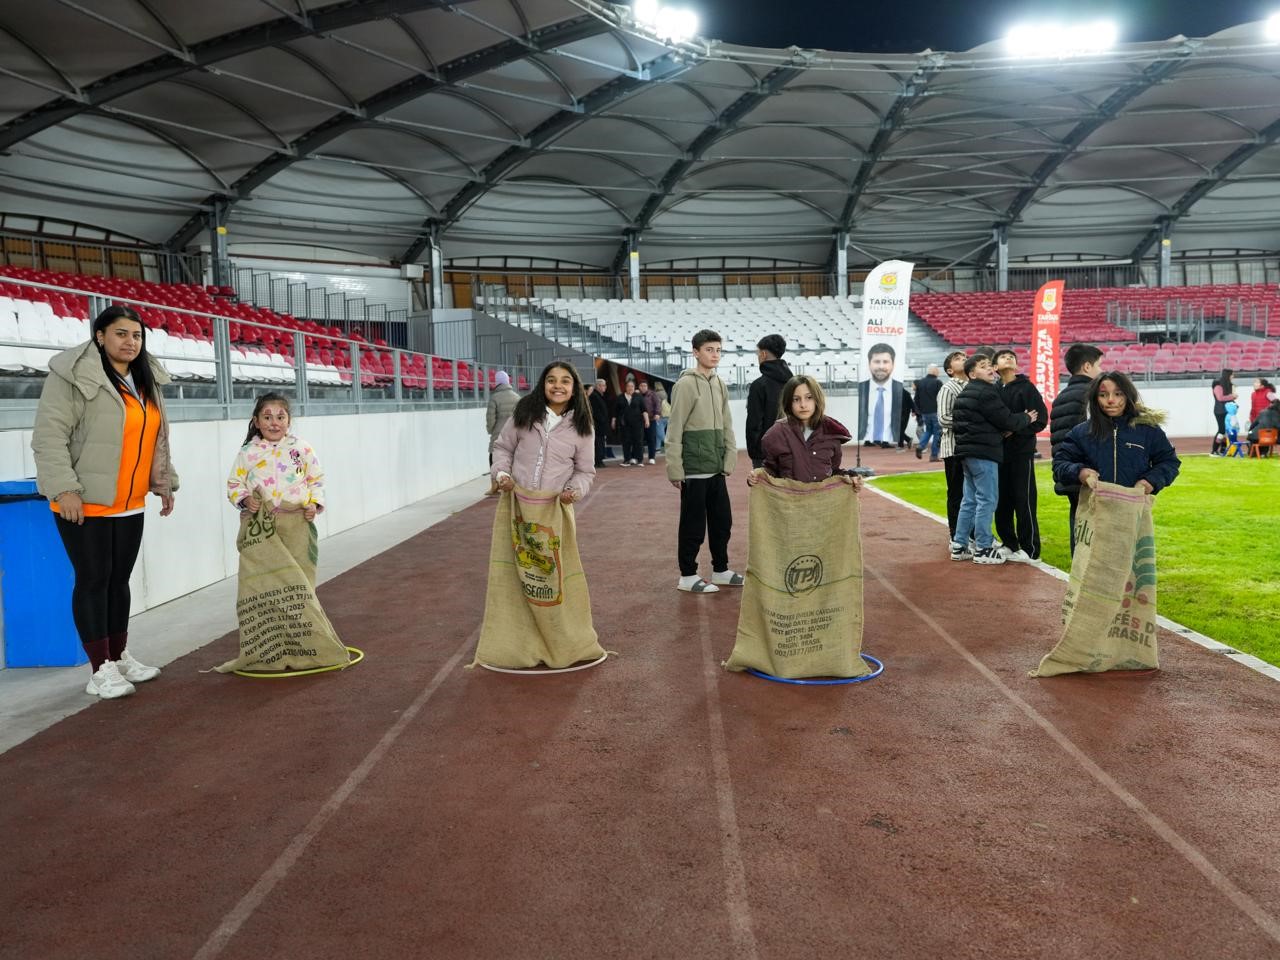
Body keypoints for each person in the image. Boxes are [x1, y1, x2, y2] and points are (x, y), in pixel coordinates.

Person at [31, 304, 177, 700]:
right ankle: (100, 670)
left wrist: (163, 482)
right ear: (100, 336)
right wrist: (64, 489)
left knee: (118, 581)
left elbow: (155, 438)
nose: (130, 342)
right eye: (121, 334)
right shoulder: (72, 376)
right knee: (94, 580)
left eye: (137, 335)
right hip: (85, 502)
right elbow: (49, 437)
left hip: (129, 501)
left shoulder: (145, 379)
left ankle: (118, 654)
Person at [666, 329, 741, 593]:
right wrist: (675, 469)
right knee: (693, 524)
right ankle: (687, 575)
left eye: (718, 350)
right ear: (696, 352)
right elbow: (674, 428)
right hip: (695, 468)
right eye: (709, 350)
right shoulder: (685, 385)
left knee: (722, 522)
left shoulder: (719, 383)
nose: (715, 355)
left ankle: (720, 569)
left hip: (716, 468)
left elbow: (727, 424)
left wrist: (729, 458)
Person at [950, 354, 1038, 564]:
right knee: (987, 500)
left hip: (967, 454)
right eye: (983, 366)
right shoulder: (986, 393)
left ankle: (960, 545)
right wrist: (1026, 417)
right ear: (972, 374)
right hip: (984, 453)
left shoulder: (965, 393)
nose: (990, 369)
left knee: (969, 501)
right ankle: (983, 548)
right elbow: (1005, 419)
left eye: (990, 365)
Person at [1053, 371, 1180, 500]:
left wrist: (1150, 481)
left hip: (1134, 509)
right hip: (1091, 511)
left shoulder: (1149, 430)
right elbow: (1060, 464)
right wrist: (1080, 472)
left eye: (1118, 394)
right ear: (1095, 399)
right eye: (1103, 395)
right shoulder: (1080, 432)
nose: (1110, 400)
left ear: (1128, 395)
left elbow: (1169, 461)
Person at [492, 361, 595, 501]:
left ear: (574, 390)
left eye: (565, 381)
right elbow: (503, 448)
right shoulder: (524, 414)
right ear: (543, 386)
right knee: (523, 525)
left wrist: (572, 490)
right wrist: (502, 474)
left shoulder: (582, 427)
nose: (557, 385)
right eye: (551, 380)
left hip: (554, 508)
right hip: (517, 503)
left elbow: (584, 471)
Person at [748, 375, 862, 488]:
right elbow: (770, 471)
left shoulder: (831, 432)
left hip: (821, 503)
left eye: (809, 397)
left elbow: (833, 471)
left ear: (817, 399)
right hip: (790, 503)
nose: (803, 405)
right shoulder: (776, 433)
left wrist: (850, 476)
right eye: (796, 399)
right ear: (788, 402)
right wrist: (756, 477)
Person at [993, 348, 1049, 562]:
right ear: (995, 367)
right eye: (1003, 357)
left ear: (1016, 366)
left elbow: (1040, 419)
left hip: (1021, 452)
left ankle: (1030, 549)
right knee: (1002, 500)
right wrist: (1013, 423)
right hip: (998, 452)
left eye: (1012, 357)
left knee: (1023, 499)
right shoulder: (994, 389)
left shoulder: (1027, 388)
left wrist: (1015, 429)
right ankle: (1009, 542)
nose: (1009, 358)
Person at [1049, 343, 1104, 553]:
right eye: (1099, 365)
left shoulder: (1061, 396)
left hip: (1069, 471)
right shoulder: (1092, 394)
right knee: (1097, 530)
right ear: (1088, 367)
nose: (1102, 371)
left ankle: (1079, 575)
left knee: (1078, 525)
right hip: (1089, 473)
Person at [745, 334, 792, 468]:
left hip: (765, 453)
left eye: (758, 353)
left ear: (763, 354)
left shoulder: (758, 386)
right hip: (791, 449)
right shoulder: (794, 383)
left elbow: (754, 423)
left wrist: (755, 453)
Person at [936, 351, 968, 545]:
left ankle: (970, 533)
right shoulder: (948, 388)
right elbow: (943, 418)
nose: (963, 360)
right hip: (954, 448)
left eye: (965, 358)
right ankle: (955, 535)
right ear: (949, 370)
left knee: (971, 493)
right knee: (956, 493)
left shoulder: (973, 386)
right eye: (958, 359)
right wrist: (971, 423)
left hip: (970, 447)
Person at [857, 342, 905, 449]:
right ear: (869, 363)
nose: (881, 366)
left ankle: (885, 441)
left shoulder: (899, 388)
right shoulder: (862, 388)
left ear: (893, 364)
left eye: (886, 362)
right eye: (877, 361)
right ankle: (869, 440)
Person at [484, 371, 519, 495]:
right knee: (514, 457)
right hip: (514, 433)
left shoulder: (494, 398)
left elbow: (490, 419)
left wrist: (490, 430)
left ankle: (495, 485)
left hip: (498, 434)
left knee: (493, 457)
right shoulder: (516, 397)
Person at [612, 378, 648, 466]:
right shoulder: (620, 397)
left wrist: (646, 420)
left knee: (638, 441)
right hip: (625, 424)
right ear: (625, 387)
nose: (630, 388)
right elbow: (615, 411)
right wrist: (613, 421)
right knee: (626, 442)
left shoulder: (638, 397)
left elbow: (644, 409)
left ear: (634, 387)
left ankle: (639, 460)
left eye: (632, 386)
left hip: (637, 423)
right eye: (628, 386)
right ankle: (626, 460)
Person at [913, 364, 943, 461]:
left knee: (929, 431)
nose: (938, 373)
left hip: (925, 413)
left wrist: (919, 411)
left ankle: (921, 446)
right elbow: (942, 398)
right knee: (938, 433)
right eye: (938, 371)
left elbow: (916, 399)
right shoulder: (938, 382)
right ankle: (934, 455)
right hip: (936, 412)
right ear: (935, 372)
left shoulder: (920, 383)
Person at [1211, 368, 1237, 456]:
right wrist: (1232, 396)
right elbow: (1220, 398)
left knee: (1226, 431)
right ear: (1228, 375)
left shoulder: (1229, 385)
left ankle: (1223, 449)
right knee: (1221, 430)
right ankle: (1214, 450)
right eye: (1232, 374)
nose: (1233, 376)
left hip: (1227, 410)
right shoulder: (1217, 384)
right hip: (1220, 411)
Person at [639, 380, 662, 464]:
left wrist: (657, 413)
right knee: (639, 439)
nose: (643, 387)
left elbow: (657, 404)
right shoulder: (637, 395)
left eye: (645, 385)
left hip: (651, 419)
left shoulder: (652, 394)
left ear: (647, 386)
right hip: (639, 420)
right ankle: (638, 457)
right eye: (641, 385)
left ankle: (651, 457)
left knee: (651, 438)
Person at [589, 377, 611, 467]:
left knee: (600, 442)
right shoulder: (594, 396)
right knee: (597, 443)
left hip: (601, 425)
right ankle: (598, 461)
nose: (605, 387)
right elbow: (595, 411)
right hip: (598, 425)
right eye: (603, 385)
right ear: (598, 386)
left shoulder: (600, 395)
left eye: (605, 385)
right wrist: (602, 420)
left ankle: (600, 460)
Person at [654, 382, 671, 452]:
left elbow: (657, 405)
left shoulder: (656, 394)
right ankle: (657, 448)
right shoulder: (664, 393)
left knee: (660, 433)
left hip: (660, 415)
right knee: (659, 432)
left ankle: (670, 446)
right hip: (667, 415)